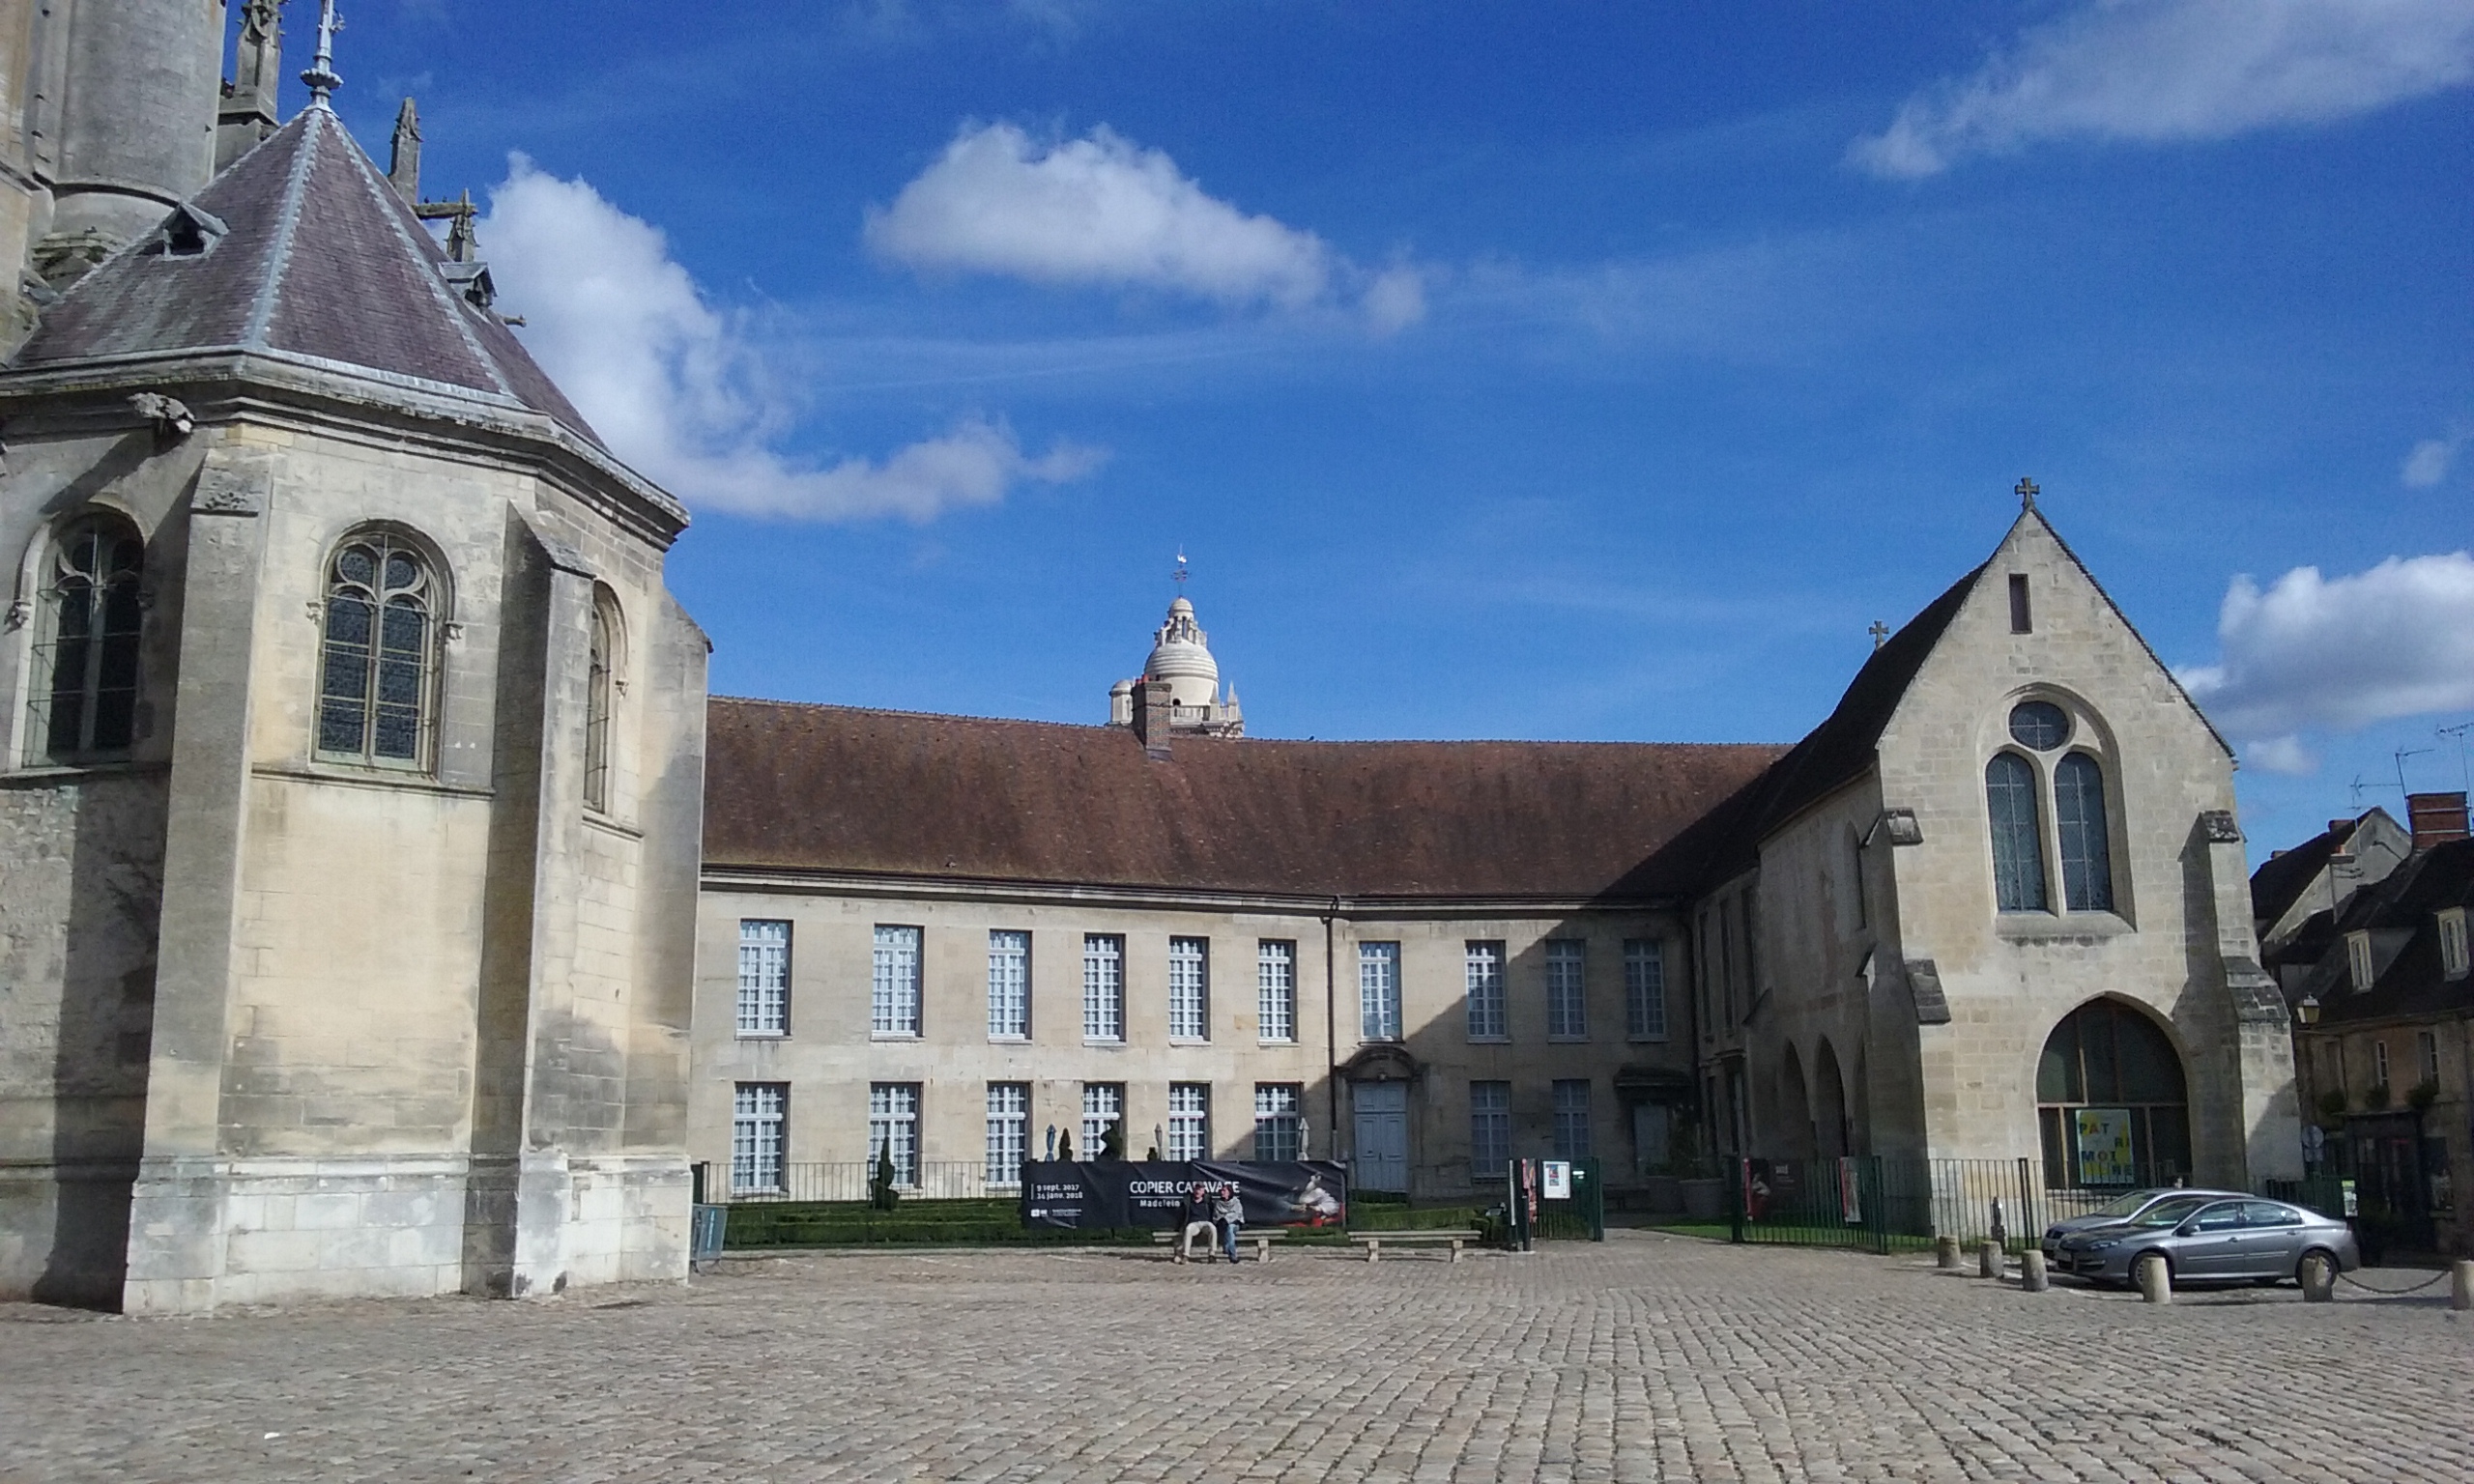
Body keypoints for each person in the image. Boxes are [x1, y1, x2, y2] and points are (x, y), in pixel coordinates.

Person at [1215, 1181, 1246, 1265]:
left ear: (1229, 1192)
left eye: (1224, 1191)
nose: (1222, 1192)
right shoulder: (1218, 1203)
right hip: (1222, 1226)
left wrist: (1227, 1218)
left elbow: (1237, 1214)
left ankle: (1230, 1252)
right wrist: (1222, 1220)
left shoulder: (1236, 1202)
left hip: (1235, 1224)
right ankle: (1231, 1254)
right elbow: (1216, 1216)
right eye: (1221, 1191)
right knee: (1227, 1231)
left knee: (1230, 1228)